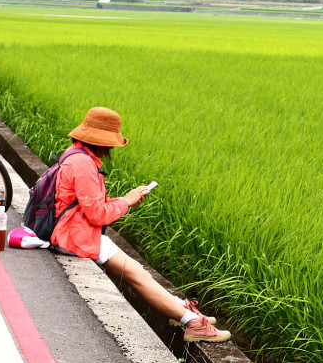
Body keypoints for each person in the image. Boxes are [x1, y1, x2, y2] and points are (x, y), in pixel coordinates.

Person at [50, 107, 231, 342]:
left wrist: (127, 199)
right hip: (76, 236)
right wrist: (126, 202)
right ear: (104, 142)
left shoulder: (76, 154)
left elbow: (86, 205)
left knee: (138, 272)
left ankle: (180, 309)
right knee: (137, 277)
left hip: (75, 230)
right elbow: (96, 214)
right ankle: (193, 323)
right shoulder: (83, 165)